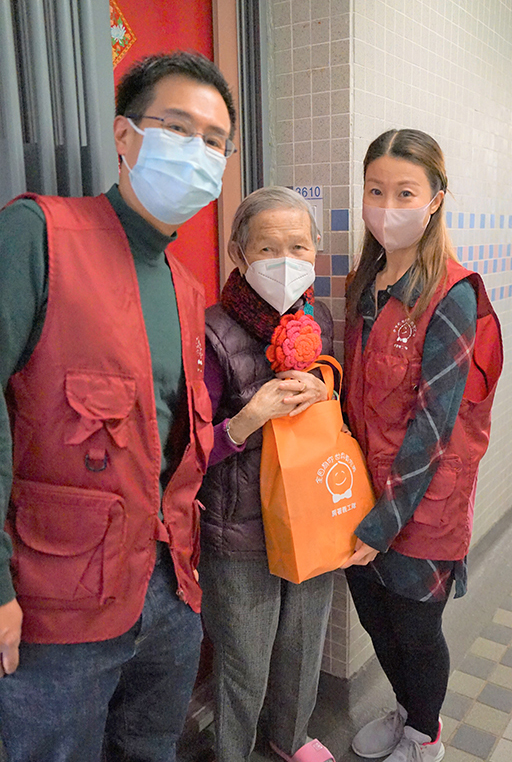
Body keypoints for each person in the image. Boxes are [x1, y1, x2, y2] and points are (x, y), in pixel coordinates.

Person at [0, 51, 236, 762]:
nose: (198, 151)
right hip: (56, 604)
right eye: (178, 127)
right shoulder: (38, 236)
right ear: (125, 135)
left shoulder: (187, 289)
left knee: (149, 748)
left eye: (215, 141)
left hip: (168, 590)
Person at [342, 129, 502, 762]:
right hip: (362, 493)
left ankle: (426, 736)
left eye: (405, 193)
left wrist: (385, 521)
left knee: (414, 629)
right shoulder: (365, 283)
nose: (388, 206)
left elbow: (434, 427)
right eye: (376, 190)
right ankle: (408, 712)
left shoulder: (452, 293)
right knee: (374, 617)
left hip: (425, 502)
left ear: (435, 199)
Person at [198, 186, 336, 762]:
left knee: (303, 646)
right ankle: (232, 751)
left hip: (310, 515)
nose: (286, 260)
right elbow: (187, 450)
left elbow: (336, 412)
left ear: (316, 251)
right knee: (243, 662)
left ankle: (291, 738)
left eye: (299, 246)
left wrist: (324, 389)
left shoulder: (319, 319)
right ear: (239, 252)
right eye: (268, 248)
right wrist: (248, 418)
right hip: (239, 530)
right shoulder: (210, 332)